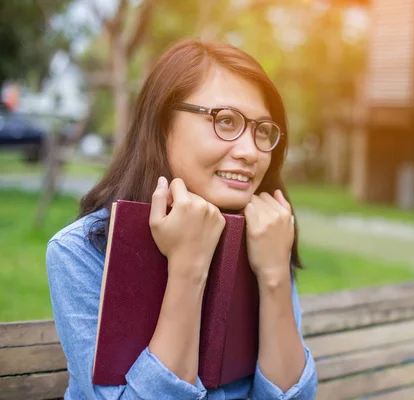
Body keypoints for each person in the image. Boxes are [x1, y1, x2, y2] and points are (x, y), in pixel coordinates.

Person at [46, 39, 318, 400]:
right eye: (225, 120)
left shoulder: (265, 237)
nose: (251, 152)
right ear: (162, 122)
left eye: (262, 130)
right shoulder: (82, 251)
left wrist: (274, 276)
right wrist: (188, 268)